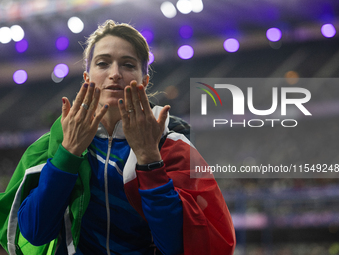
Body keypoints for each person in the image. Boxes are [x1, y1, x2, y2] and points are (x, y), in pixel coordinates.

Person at [0, 20, 236, 255]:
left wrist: (150, 160)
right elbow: (35, 232)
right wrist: (67, 154)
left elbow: (175, 247)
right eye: (103, 63)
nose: (114, 74)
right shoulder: (55, 143)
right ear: (87, 77)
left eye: (128, 65)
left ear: (144, 80)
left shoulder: (171, 145)